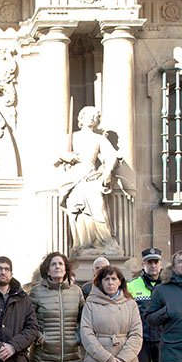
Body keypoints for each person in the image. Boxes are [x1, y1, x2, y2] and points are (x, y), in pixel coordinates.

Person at [55, 106, 123, 254]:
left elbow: (111, 157)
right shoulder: (71, 137)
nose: (92, 118)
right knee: (77, 210)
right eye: (89, 115)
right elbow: (57, 156)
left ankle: (105, 242)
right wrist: (67, 156)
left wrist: (106, 172)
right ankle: (82, 244)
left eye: (95, 116)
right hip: (73, 176)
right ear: (81, 118)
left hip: (90, 175)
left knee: (98, 208)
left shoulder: (100, 139)